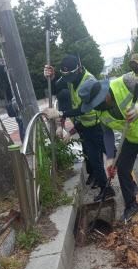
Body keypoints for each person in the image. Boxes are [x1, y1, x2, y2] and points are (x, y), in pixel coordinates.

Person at [78, 76, 138, 223]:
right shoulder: (100, 110)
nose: (96, 107)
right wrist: (110, 158)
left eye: (96, 103)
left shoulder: (124, 83)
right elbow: (107, 132)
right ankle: (132, 205)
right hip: (132, 137)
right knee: (123, 169)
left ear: (104, 94)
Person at [44, 55, 113, 201]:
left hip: (99, 127)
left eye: (71, 77)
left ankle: (131, 185)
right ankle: (106, 190)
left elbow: (84, 109)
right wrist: (50, 77)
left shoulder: (89, 81)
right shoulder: (70, 77)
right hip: (85, 128)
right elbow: (56, 89)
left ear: (79, 69)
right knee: (95, 161)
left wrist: (60, 113)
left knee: (114, 158)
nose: (70, 82)